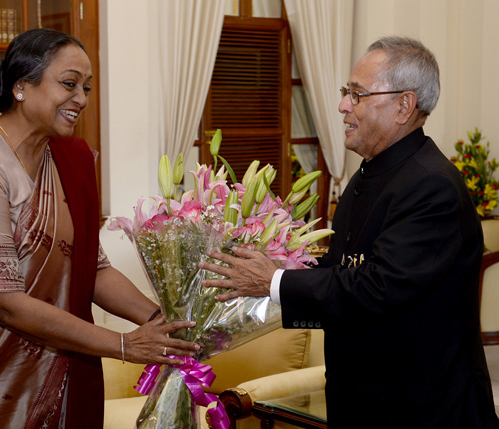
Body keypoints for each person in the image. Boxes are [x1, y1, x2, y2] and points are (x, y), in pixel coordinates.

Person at [0, 28, 198, 428]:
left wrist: (164, 322)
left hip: (47, 368)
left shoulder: (68, 160)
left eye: (87, 88)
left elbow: (92, 269)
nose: (81, 99)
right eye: (69, 83)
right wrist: (124, 345)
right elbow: (0, 301)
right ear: (22, 86)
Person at [199, 36, 499, 428]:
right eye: (346, 92)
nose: (343, 106)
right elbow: (345, 267)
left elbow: (378, 288)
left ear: (403, 106)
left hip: (423, 408)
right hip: (363, 399)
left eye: (357, 94)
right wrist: (278, 268)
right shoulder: (371, 173)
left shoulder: (431, 185)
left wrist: (274, 282)